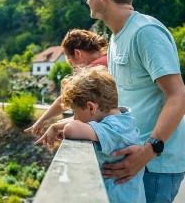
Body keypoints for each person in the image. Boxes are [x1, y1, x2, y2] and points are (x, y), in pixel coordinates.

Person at [86, 0, 185, 203]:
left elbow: (178, 95)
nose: (87, 0)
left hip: (154, 165)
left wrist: (149, 151)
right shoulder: (117, 36)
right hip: (134, 160)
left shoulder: (146, 32)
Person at [36, 67, 146, 203]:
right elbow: (78, 123)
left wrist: (58, 126)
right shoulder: (123, 119)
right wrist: (54, 126)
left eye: (75, 113)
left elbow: (72, 129)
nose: (75, 118)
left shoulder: (113, 128)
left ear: (91, 108)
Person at [25, 29, 108, 136]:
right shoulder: (108, 59)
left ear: (77, 53)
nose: (74, 71)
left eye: (72, 63)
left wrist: (43, 121)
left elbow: (67, 99)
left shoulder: (95, 70)